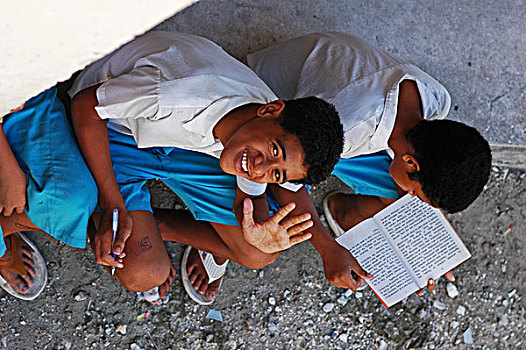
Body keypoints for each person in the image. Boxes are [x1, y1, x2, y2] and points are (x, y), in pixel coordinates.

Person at [68, 31, 345, 304]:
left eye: (277, 174)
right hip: (116, 129)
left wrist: (256, 229)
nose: (260, 167)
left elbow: (254, 194)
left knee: (258, 254)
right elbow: (85, 106)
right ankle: (113, 217)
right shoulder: (175, 94)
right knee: (144, 272)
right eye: (274, 150)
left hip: (182, 145)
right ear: (270, 110)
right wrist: (112, 202)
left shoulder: (252, 138)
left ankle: (152, 224)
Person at [245, 32, 492, 292]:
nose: (412, 195)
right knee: (263, 234)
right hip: (267, 111)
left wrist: (425, 247)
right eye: (415, 192)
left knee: (404, 209)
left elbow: (422, 179)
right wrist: (327, 248)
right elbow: (286, 180)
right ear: (410, 163)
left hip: (327, 108)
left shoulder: (435, 102)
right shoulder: (347, 128)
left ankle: (344, 211)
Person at [0, 87, 98, 300]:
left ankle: (7, 224)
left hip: (20, 99)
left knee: (73, 201)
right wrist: (7, 170)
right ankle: (5, 236)